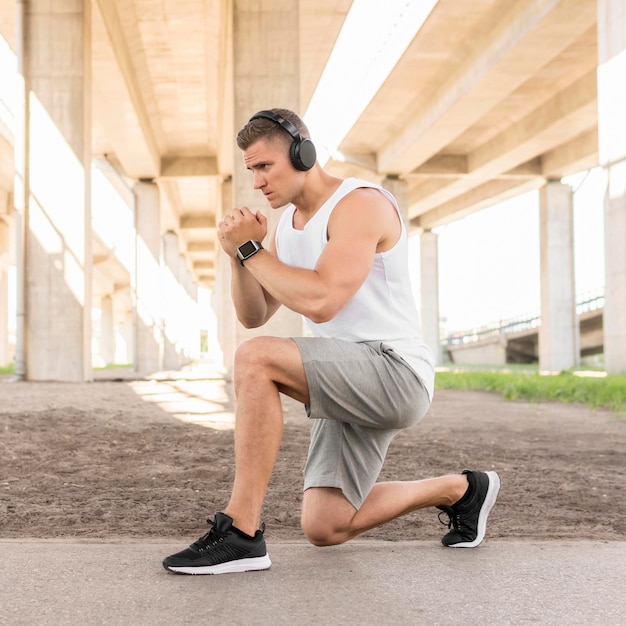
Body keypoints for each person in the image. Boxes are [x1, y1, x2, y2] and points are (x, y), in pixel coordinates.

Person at [162, 108, 500, 575]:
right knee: (326, 526)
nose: (257, 181)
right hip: (348, 373)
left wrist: (250, 250)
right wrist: (238, 256)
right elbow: (254, 314)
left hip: (393, 371)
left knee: (254, 360)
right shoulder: (287, 227)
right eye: (251, 170)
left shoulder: (360, 204)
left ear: (304, 154)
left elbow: (322, 300)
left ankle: (240, 533)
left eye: (265, 166)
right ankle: (462, 490)